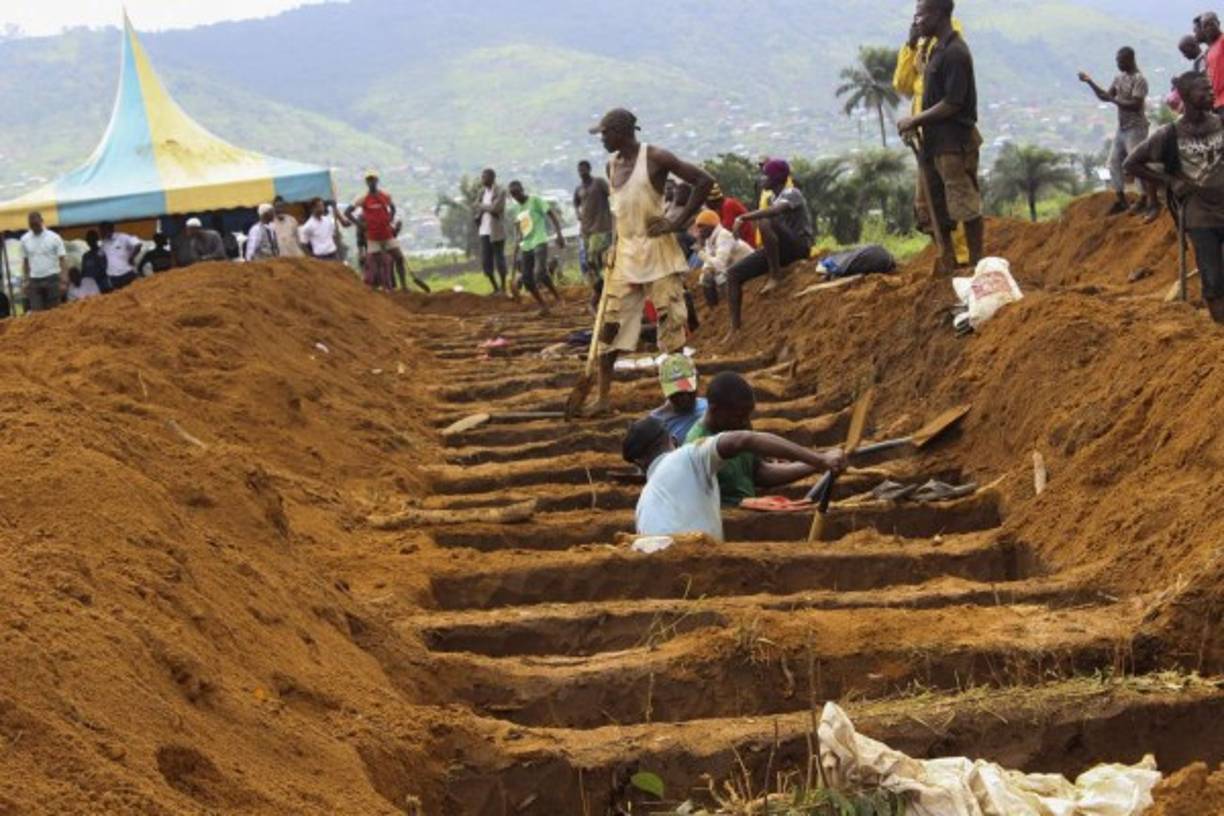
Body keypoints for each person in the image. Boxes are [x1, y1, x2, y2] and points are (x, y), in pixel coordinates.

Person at [584, 108, 715, 415]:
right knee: (609, 326)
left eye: (604, 133)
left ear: (620, 132)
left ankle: (681, 398)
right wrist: (614, 246)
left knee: (672, 324)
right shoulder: (611, 165)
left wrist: (678, 221)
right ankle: (602, 398)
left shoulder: (656, 158)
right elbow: (621, 212)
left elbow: (704, 181)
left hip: (658, 250)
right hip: (626, 254)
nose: (602, 139)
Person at [624, 413, 846, 541]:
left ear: (639, 464)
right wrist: (819, 460)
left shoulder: (642, 507)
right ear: (674, 439)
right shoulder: (688, 456)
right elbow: (744, 440)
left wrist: (818, 464)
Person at [1125, 72, 1224, 324]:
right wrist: (1170, 182)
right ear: (1187, 96)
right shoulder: (1169, 135)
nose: (1212, 94)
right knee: (1212, 278)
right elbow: (1131, 163)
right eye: (1204, 90)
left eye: (1211, 89)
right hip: (1199, 215)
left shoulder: (1220, 124)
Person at [898, 0, 984, 275]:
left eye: (921, 15)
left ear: (939, 14)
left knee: (964, 204)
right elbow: (906, 85)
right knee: (932, 206)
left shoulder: (955, 53)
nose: (917, 21)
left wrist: (915, 119)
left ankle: (976, 265)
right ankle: (947, 260)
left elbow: (953, 103)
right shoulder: (934, 51)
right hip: (933, 143)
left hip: (953, 143)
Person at [686, 371, 832, 508]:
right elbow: (748, 440)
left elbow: (759, 473)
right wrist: (819, 460)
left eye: (747, 416)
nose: (745, 423)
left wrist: (816, 465)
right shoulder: (698, 443)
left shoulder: (737, 425)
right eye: (739, 416)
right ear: (715, 410)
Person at [723, 160, 814, 337]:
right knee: (733, 274)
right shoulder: (774, 198)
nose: (761, 179)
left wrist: (743, 217)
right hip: (780, 250)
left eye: (765, 175)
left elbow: (774, 212)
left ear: (776, 178)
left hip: (799, 247)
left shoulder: (792, 193)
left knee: (766, 219)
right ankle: (734, 328)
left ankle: (775, 275)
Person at [1079, 47, 1158, 220]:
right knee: (1113, 163)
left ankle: (1147, 200)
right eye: (1117, 60)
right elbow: (1105, 95)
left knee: (1135, 164)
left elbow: (1136, 105)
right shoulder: (1119, 78)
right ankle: (1122, 201)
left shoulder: (1139, 80)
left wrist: (1113, 100)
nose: (1118, 63)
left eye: (1120, 60)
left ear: (1130, 59)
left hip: (1136, 128)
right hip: (1122, 129)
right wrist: (1089, 82)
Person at [346, 170, 430, 293]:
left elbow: (393, 208)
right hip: (373, 238)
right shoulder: (363, 199)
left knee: (399, 258)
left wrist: (390, 218)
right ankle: (374, 289)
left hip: (387, 235)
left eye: (373, 179)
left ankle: (404, 286)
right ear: (366, 182)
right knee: (374, 264)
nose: (371, 182)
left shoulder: (385, 196)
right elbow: (347, 213)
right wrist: (360, 225)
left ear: (377, 181)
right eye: (369, 180)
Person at [507, 180, 565, 314]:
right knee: (528, 279)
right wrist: (517, 246)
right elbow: (518, 230)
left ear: (522, 189)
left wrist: (559, 234)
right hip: (526, 245)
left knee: (539, 272)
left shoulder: (535, 200)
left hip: (540, 240)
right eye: (513, 195)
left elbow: (551, 214)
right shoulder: (516, 209)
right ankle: (543, 305)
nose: (516, 196)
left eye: (517, 192)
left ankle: (557, 297)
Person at [694, 209, 753, 306]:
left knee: (720, 277)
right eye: (698, 227)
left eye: (701, 226)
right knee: (705, 278)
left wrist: (700, 253)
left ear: (711, 226)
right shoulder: (709, 239)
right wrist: (707, 270)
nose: (699, 230)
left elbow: (720, 264)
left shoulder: (723, 235)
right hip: (734, 267)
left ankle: (729, 304)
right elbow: (710, 260)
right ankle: (715, 309)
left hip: (749, 266)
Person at [574, 160, 613, 294]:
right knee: (587, 261)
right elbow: (575, 203)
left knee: (594, 256)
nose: (582, 172)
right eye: (579, 170)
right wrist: (577, 212)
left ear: (589, 169)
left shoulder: (599, 182)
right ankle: (599, 286)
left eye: (584, 169)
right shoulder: (579, 188)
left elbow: (611, 193)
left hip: (601, 227)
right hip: (586, 229)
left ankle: (606, 282)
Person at [650, 354, 708, 444]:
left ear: (697, 379)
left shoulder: (709, 410)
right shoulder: (656, 424)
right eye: (677, 393)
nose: (684, 397)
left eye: (688, 390)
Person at [19, 212, 67, 312]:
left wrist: (64, 281)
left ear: (42, 221)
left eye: (36, 224)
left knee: (54, 311)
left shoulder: (54, 237)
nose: (34, 227)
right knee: (37, 312)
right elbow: (25, 262)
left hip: (52, 278)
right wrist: (25, 281)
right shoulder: (24, 240)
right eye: (31, 225)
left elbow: (62, 260)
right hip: (35, 280)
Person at [474, 168, 509, 294]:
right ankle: (495, 288)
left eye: (485, 177)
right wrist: (483, 208)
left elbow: (495, 209)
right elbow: (476, 205)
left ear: (492, 178)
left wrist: (482, 206)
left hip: (496, 231)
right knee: (486, 262)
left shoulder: (500, 191)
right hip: (484, 231)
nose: (482, 179)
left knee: (499, 260)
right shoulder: (482, 192)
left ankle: (503, 287)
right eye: (482, 177)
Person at [1168, 36, 1208, 114]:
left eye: (1185, 52)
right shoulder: (1197, 62)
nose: (1184, 55)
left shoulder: (1202, 61)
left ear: (1192, 46)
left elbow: (1202, 81)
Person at [99, 221, 143, 290]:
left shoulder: (122, 237)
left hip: (127, 273)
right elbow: (100, 255)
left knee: (133, 293)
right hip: (113, 277)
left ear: (111, 229)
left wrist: (131, 257)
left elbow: (138, 244)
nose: (101, 233)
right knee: (120, 297)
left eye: (103, 230)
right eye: (101, 230)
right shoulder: (104, 243)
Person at [1196, 12, 1224, 113]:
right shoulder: (1210, 50)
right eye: (1205, 26)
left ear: (1218, 23)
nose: (1208, 28)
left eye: (1211, 24)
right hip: (1217, 103)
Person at [80, 229, 111, 293]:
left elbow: (105, 270)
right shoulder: (85, 256)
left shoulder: (103, 252)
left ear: (97, 239)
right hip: (89, 288)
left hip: (103, 286)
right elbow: (83, 272)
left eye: (92, 239)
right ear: (87, 241)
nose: (91, 242)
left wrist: (94, 280)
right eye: (89, 240)